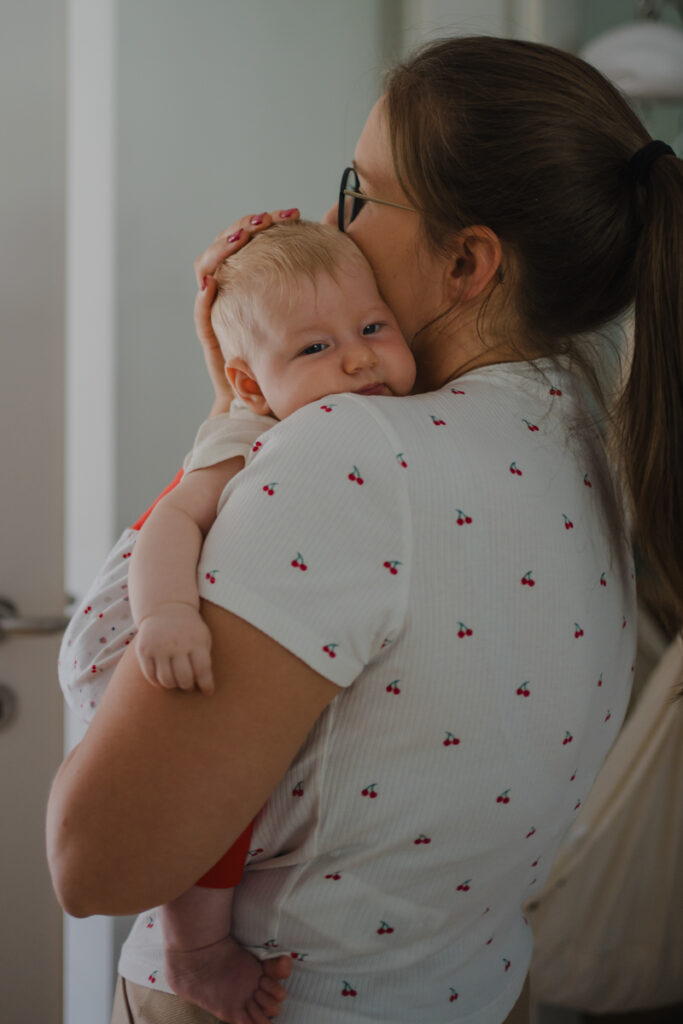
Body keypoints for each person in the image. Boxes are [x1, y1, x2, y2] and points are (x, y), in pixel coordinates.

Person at [48, 35, 682, 1024]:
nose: (327, 214)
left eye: (357, 191)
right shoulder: (581, 439)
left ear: (467, 261)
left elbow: (95, 858)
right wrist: (250, 393)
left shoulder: (352, 455)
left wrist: (248, 426)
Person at [116, 219, 417, 1022]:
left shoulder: (370, 419)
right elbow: (173, 522)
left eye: (373, 327)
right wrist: (168, 615)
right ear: (250, 386)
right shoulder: (244, 433)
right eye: (314, 349)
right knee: (217, 798)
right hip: (175, 650)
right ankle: (197, 949)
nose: (356, 357)